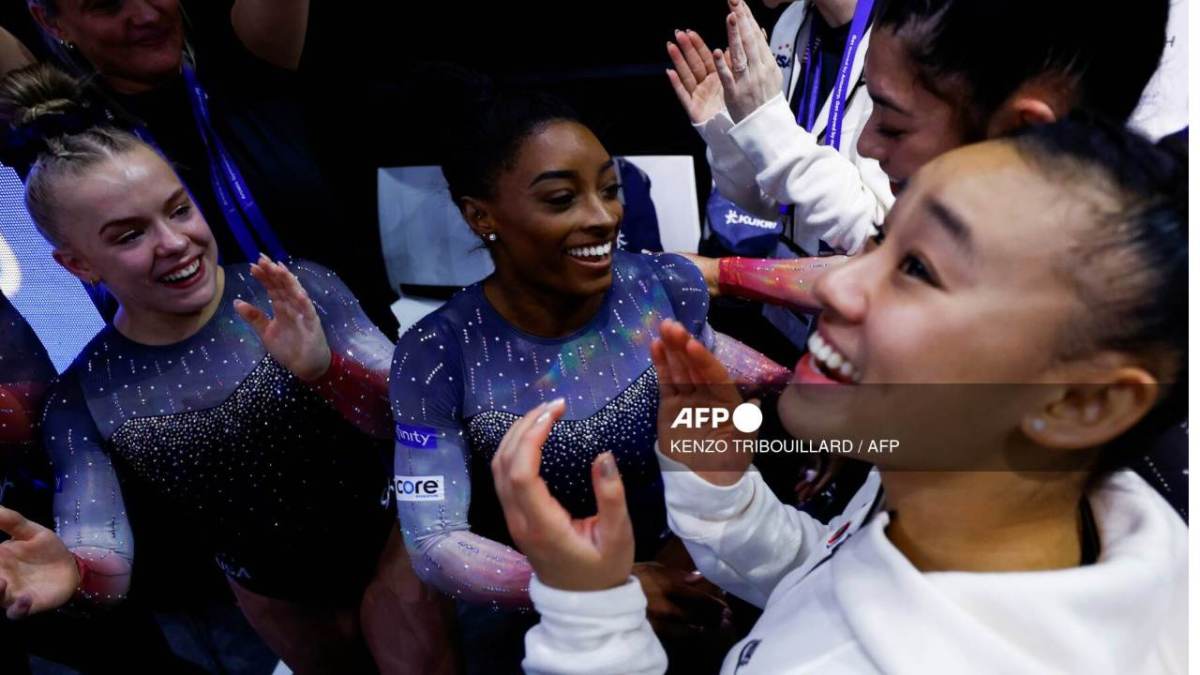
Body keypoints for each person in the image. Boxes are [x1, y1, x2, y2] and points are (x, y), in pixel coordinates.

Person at [494, 117, 1188, 673]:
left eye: (918, 268)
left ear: (1080, 402)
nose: (834, 284)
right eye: (884, 240)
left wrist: (588, 614)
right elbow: (843, 576)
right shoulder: (986, 511)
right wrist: (718, 487)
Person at [0, 63, 451, 674]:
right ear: (78, 264)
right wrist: (74, 575)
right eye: (130, 234)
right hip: (272, 595)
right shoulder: (84, 395)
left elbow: (431, 417)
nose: (175, 242)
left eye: (178, 210)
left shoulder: (292, 290)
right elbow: (103, 553)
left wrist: (327, 372)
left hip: (396, 538)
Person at [387, 85, 806, 673]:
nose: (603, 216)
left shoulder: (657, 286)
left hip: (697, 567)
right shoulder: (436, 353)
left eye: (609, 190)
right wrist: (594, 585)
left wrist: (809, 407)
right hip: (555, 617)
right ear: (480, 214)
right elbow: (432, 542)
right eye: (562, 199)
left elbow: (722, 388)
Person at [2, 0, 396, 332]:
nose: (145, 15)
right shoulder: (52, 123)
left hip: (361, 362)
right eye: (107, 4)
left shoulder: (253, 53)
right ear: (48, 20)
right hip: (189, 401)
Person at [670, 0, 1170, 254]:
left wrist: (768, 127)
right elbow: (770, 201)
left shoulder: (924, 44)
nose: (870, 142)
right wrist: (731, 130)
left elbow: (878, 236)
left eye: (893, 124)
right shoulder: (789, 28)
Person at [669, 0, 889, 257]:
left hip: (866, 290)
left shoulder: (913, 30)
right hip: (792, 285)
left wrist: (765, 121)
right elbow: (771, 202)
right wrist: (726, 134)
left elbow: (880, 240)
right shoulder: (792, 21)